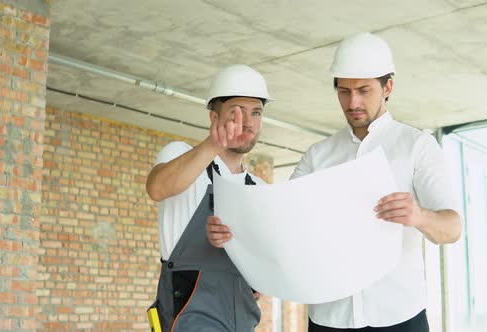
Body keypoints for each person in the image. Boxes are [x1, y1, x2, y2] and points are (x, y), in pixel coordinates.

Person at [207, 32, 462, 331]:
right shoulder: (318, 156)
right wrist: (231, 236)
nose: (352, 102)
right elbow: (281, 222)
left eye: (364, 90)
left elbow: (452, 228)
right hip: (329, 318)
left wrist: (419, 215)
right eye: (344, 91)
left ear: (387, 86)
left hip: (399, 315)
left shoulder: (417, 146)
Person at [146, 64, 272, 331]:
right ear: (214, 117)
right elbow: (157, 188)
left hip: (243, 320)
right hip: (190, 316)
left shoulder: (259, 187)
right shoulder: (181, 155)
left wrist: (258, 278)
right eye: (236, 113)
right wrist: (214, 145)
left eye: (256, 112)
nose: (247, 122)